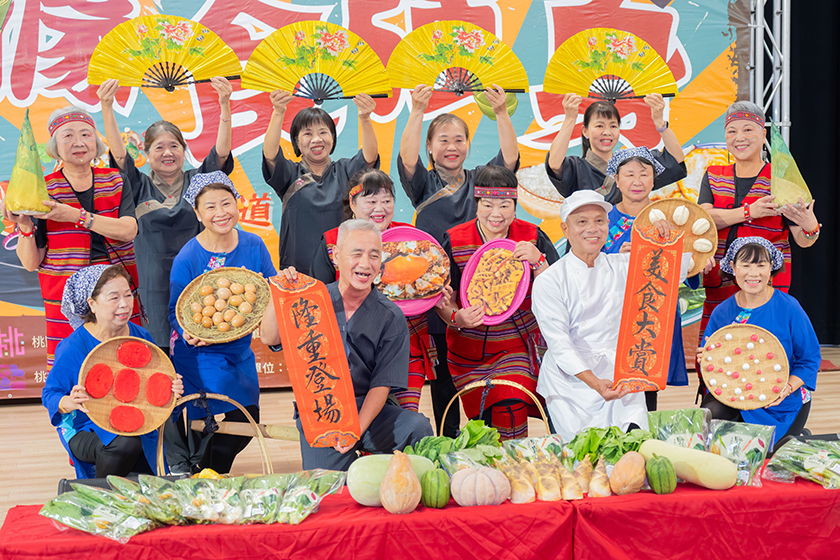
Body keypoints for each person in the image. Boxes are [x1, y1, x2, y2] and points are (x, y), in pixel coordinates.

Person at [261, 219, 434, 471]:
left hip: (370, 411)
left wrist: (355, 430)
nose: (365, 263)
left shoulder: (391, 315)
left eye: (374, 255)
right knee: (327, 485)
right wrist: (278, 291)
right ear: (336, 256)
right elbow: (269, 338)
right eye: (356, 253)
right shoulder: (311, 300)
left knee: (417, 427)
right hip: (323, 410)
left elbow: (382, 385)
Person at [398, 84, 519, 437]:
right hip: (438, 291)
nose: (452, 147)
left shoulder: (481, 179)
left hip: (484, 287)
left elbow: (509, 159)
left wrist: (501, 113)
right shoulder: (423, 184)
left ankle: (486, 437)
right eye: (443, 140)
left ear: (468, 144)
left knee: (485, 368)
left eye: (459, 140)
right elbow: (407, 159)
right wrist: (417, 110)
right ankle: (447, 440)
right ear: (430, 147)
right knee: (444, 378)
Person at [531, 191, 691, 442]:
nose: (592, 229)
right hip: (571, 386)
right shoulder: (550, 280)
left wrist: (668, 239)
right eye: (582, 222)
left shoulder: (622, 264)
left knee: (632, 449)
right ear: (565, 229)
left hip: (621, 378)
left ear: (607, 225)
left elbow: (672, 274)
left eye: (599, 221)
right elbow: (560, 344)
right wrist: (594, 382)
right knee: (581, 456)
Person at [97, 78, 235, 353]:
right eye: (159, 147)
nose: (167, 153)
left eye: (174, 146)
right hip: (153, 286)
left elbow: (221, 153)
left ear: (184, 151)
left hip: (199, 280)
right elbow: (120, 156)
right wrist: (106, 106)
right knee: (156, 351)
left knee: (202, 345)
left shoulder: (199, 182)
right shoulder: (137, 185)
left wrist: (224, 104)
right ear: (146, 153)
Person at [0, 106, 140, 368]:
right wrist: (25, 225)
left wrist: (76, 215)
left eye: (86, 134)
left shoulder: (116, 180)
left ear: (96, 142)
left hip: (116, 293)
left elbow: (128, 230)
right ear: (55, 146)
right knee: (73, 369)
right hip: (66, 298)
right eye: (68, 136)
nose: (79, 142)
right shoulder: (43, 189)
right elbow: (31, 263)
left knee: (125, 366)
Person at [310, 169, 452, 412]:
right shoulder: (334, 241)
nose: (380, 208)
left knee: (403, 419)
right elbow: (320, 299)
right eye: (371, 200)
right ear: (352, 204)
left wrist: (435, 295)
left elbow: (429, 282)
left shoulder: (413, 240)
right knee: (358, 420)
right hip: (350, 352)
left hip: (405, 347)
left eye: (386, 200)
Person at [434, 166, 559, 440]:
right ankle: (500, 458)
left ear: (515, 207)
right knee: (485, 420)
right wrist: (457, 319)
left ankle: (514, 457)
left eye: (505, 205)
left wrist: (539, 261)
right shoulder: (455, 240)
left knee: (510, 399)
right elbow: (443, 300)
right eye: (488, 204)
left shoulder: (532, 236)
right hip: (469, 347)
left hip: (519, 342)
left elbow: (559, 289)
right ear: (476, 203)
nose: (496, 213)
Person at [166, 171, 277, 474]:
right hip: (199, 353)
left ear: (237, 204)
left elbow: (271, 290)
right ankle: (208, 474)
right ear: (197, 213)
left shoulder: (254, 245)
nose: (220, 213)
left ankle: (203, 472)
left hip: (239, 351)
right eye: (210, 206)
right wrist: (187, 333)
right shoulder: (188, 257)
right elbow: (175, 311)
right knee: (220, 420)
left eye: (226, 203)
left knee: (248, 418)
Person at [698, 101, 819, 374]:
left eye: (748, 130)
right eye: (732, 131)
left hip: (766, 282)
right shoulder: (714, 175)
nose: (739, 138)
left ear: (763, 134)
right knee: (717, 354)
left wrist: (810, 226)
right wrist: (748, 212)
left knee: (764, 352)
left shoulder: (781, 178)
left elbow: (804, 239)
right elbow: (703, 219)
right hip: (720, 280)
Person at [42, 264, 184, 479]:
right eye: (114, 297)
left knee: (144, 479)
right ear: (92, 304)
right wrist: (69, 402)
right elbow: (50, 394)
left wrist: (172, 390)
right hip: (85, 426)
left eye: (128, 295)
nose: (124, 304)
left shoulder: (142, 337)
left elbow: (156, 388)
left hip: (138, 423)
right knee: (125, 443)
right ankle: (99, 494)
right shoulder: (74, 346)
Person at [601, 147, 709, 411]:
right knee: (608, 383)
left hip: (654, 313)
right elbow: (587, 267)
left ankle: (642, 433)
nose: (637, 181)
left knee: (646, 385)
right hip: (612, 315)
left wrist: (695, 261)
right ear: (616, 179)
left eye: (644, 174)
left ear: (653, 180)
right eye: (629, 175)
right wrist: (616, 257)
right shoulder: (602, 220)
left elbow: (689, 271)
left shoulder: (671, 218)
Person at [700, 237, 819, 448]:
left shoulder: (789, 307)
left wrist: (786, 388)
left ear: (771, 267)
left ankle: (791, 435)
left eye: (761, 265)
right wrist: (707, 357)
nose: (753, 273)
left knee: (761, 453)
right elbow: (712, 363)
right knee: (712, 418)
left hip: (780, 402)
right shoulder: (722, 312)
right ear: (733, 267)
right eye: (745, 265)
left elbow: (809, 360)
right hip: (735, 396)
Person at [262, 91, 379, 271]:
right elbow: (270, 155)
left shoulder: (345, 170)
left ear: (333, 138)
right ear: (297, 142)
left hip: (341, 269)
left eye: (323, 132)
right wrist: (278, 112)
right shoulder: (290, 174)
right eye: (308, 133)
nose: (317, 139)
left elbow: (369, 157)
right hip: (298, 271)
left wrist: (365, 118)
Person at [545, 93, 686, 204]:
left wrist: (660, 122)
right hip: (588, 232)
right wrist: (570, 118)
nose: (607, 132)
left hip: (630, 232)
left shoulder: (632, 162)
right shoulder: (576, 168)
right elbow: (554, 163)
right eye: (599, 126)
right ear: (585, 131)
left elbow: (676, 159)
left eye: (613, 126)